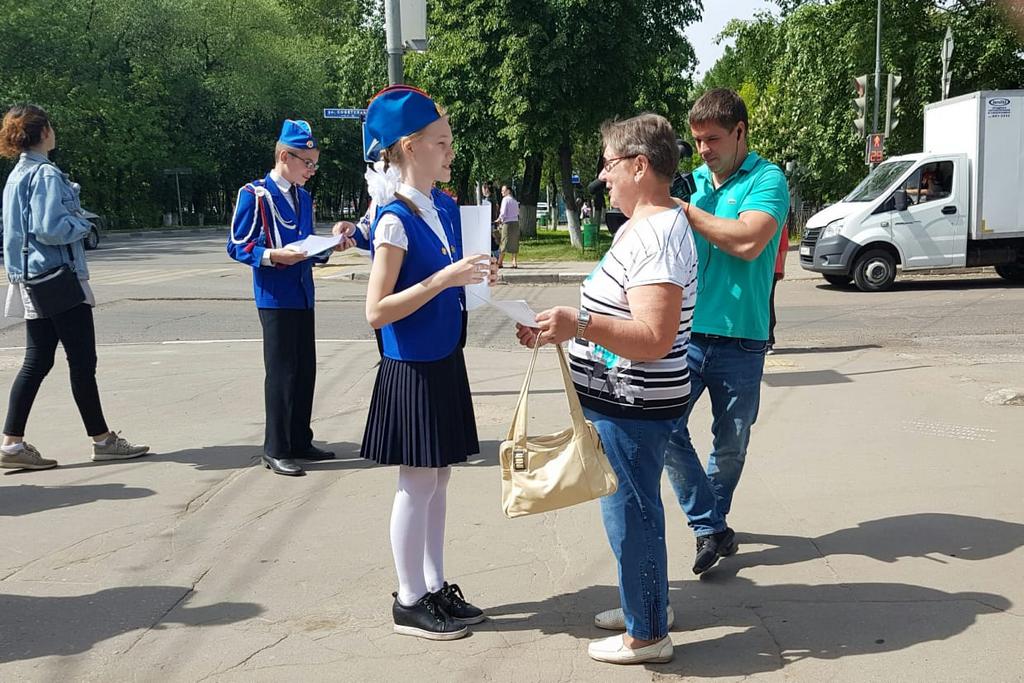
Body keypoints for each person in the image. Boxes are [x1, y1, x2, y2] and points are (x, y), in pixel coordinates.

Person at [516, 113, 697, 665]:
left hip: (636, 404)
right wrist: (562, 330)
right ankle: (647, 604)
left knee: (632, 515)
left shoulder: (659, 235)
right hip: (621, 400)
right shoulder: (641, 229)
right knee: (632, 511)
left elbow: (655, 337)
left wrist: (581, 326)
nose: (604, 175)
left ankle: (647, 635)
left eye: (611, 165)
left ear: (641, 166)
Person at [358, 85, 497, 641]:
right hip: (410, 364)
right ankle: (408, 598)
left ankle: (435, 585)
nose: (450, 151)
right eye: (441, 142)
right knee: (416, 482)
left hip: (442, 356)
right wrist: (443, 279)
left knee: (439, 478)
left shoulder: (440, 206)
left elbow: (454, 278)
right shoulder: (393, 218)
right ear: (409, 147)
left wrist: (478, 278)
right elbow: (376, 310)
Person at [663, 88, 790, 575]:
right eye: (696, 140)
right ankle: (709, 525)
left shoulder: (767, 179)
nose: (704, 151)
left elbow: (750, 240)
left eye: (712, 139)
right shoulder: (691, 181)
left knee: (731, 442)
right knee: (667, 425)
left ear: (740, 132)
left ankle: (709, 525)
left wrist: (686, 209)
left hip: (742, 336)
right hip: (685, 334)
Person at [0, 104, 149, 470]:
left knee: (38, 360)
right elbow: (51, 228)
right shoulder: (46, 175)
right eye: (52, 126)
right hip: (59, 278)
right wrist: (82, 224)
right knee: (82, 361)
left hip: (32, 278)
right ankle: (102, 440)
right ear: (44, 132)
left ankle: (12, 444)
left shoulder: (17, 175)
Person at [227, 119, 354, 477]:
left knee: (305, 370)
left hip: (302, 294)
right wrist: (272, 255)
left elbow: (305, 246)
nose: (312, 171)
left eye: (315, 164)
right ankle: (276, 447)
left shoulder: (303, 197)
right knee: (281, 373)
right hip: (274, 295)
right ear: (285, 156)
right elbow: (237, 245)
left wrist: (329, 247)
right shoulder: (255, 194)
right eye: (307, 163)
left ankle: (299, 438)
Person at [768, 213, 790, 353]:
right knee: (768, 302)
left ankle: (767, 340)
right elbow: (784, 247)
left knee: (761, 304)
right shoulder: (779, 221)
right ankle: (769, 341)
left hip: (761, 268)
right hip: (774, 268)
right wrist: (782, 268)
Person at [495, 184, 520, 268]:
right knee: (514, 242)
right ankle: (514, 262)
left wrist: (499, 219)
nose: (502, 192)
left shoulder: (505, 199)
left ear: (508, 191)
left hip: (507, 223)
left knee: (504, 241)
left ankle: (500, 262)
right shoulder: (514, 200)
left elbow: (503, 212)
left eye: (503, 190)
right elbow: (517, 212)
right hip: (515, 223)